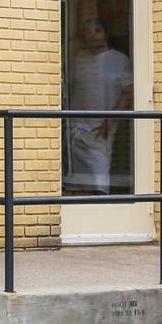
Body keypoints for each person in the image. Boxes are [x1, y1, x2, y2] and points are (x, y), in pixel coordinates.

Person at [65, 17, 133, 194]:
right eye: (87, 31)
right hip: (75, 127)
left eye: (97, 30)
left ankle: (101, 202)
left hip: (100, 128)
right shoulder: (78, 59)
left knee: (99, 170)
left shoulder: (119, 59)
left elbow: (128, 92)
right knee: (76, 179)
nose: (92, 35)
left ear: (106, 34)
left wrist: (110, 120)